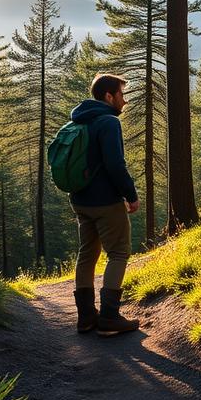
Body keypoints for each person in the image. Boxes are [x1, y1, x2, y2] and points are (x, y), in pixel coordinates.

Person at [68, 73, 140, 336]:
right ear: (109, 96)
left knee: (87, 255)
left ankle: (86, 318)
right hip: (105, 201)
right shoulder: (108, 122)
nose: (125, 99)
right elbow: (114, 165)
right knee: (118, 253)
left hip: (80, 200)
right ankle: (109, 318)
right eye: (122, 94)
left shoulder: (80, 119)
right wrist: (130, 195)